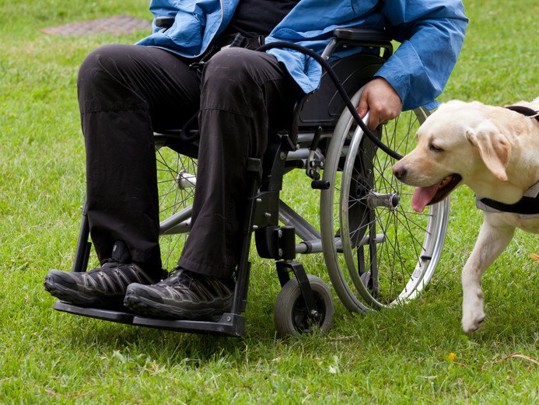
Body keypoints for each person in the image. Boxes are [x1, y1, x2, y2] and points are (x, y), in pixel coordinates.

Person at [44, 0, 468, 320]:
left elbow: (442, 21)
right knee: (106, 68)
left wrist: (392, 80)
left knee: (231, 70)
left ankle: (206, 278)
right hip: (206, 56)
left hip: (300, 70)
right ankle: (127, 264)